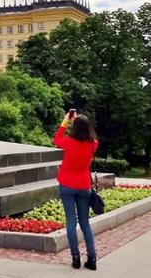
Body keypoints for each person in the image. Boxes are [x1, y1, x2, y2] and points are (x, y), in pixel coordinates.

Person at [53, 111, 99, 271]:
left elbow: (56, 139)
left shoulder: (68, 142)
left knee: (71, 222)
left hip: (66, 185)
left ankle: (75, 258)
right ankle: (92, 259)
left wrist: (66, 121)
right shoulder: (92, 144)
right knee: (85, 222)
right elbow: (93, 138)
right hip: (83, 187)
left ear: (74, 127)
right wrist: (79, 120)